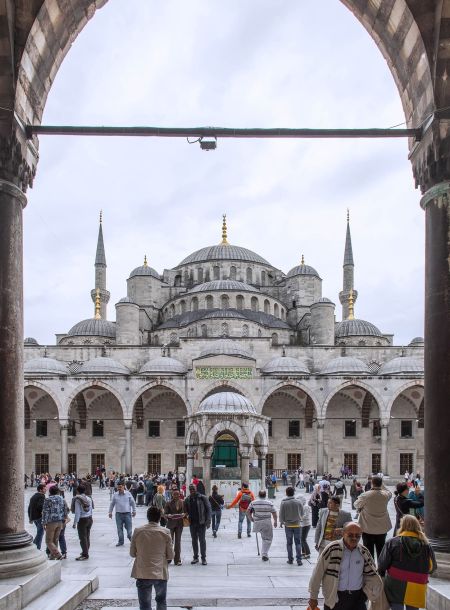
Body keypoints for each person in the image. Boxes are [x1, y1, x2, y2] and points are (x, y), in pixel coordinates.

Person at [308, 522, 383, 610]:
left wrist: (366, 594)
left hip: (358, 599)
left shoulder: (364, 552)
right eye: (350, 535)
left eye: (357, 536)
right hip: (335, 599)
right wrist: (313, 597)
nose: (354, 538)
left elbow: (372, 573)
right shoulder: (332, 549)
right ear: (343, 533)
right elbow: (317, 573)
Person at [378, 515, 436, 610]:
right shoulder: (426, 545)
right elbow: (432, 567)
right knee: (413, 607)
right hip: (418, 582)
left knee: (396, 606)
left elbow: (382, 564)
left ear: (402, 526)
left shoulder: (392, 542)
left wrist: (381, 575)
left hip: (396, 581)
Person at [130, 506, 174, 610]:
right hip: (160, 573)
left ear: (147, 517)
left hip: (142, 572)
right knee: (161, 601)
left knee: (144, 604)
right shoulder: (166, 532)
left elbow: (132, 553)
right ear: (159, 518)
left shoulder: (138, 531)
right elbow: (171, 555)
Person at [354, 475, 392, 562]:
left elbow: (356, 504)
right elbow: (389, 492)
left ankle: (370, 570)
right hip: (382, 528)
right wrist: (382, 485)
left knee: (368, 551)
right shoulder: (386, 495)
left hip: (368, 528)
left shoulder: (366, 495)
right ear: (381, 484)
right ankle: (381, 571)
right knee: (381, 550)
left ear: (372, 483)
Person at [183, 483, 211, 565]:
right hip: (192, 523)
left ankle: (203, 558)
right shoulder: (188, 499)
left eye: (193, 489)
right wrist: (185, 514)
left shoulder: (203, 498)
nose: (192, 490)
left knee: (202, 540)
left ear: (196, 489)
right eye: (190, 489)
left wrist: (208, 521)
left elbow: (209, 509)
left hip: (201, 523)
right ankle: (195, 557)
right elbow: (186, 510)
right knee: (194, 540)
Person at [247, 489, 277, 561]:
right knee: (268, 539)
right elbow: (274, 513)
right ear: (265, 495)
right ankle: (264, 554)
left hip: (257, 522)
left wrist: (251, 519)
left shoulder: (253, 503)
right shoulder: (269, 503)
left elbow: (248, 511)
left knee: (264, 538)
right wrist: (275, 521)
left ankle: (264, 553)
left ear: (258, 495)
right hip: (266, 522)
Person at [279, 486, 304, 565]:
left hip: (288, 525)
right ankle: (299, 560)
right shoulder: (299, 502)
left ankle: (290, 559)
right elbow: (302, 513)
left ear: (286, 493)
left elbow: (281, 514)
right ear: (294, 493)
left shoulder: (284, 502)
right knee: (298, 543)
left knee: (289, 543)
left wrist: (281, 522)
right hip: (297, 525)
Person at [41, 484, 65, 559]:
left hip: (51, 522)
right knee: (55, 540)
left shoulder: (48, 499)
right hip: (60, 521)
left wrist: (44, 522)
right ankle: (52, 556)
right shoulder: (61, 498)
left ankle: (58, 555)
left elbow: (45, 511)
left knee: (48, 541)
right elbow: (64, 510)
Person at [109, 481, 137, 546]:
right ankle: (121, 541)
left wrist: (134, 511)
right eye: (118, 487)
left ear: (123, 486)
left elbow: (133, 503)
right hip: (118, 514)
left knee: (129, 530)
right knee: (119, 529)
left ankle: (131, 538)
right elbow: (112, 504)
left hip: (127, 514)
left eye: (120, 487)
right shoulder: (115, 494)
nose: (119, 488)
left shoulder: (128, 494)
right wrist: (110, 512)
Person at [72, 484, 93, 561]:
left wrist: (75, 523)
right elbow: (91, 509)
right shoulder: (89, 498)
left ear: (77, 491)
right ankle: (86, 550)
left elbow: (77, 512)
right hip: (89, 518)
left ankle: (85, 554)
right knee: (87, 536)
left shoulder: (78, 499)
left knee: (82, 538)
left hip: (82, 520)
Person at [165, 489, 185, 566]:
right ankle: (169, 558)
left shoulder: (182, 502)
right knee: (170, 542)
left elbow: (186, 512)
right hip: (170, 524)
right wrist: (167, 515)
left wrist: (184, 514)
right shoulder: (168, 503)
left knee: (178, 542)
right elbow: (165, 513)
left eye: (177, 494)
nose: (176, 496)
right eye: (175, 494)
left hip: (179, 524)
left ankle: (177, 560)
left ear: (179, 495)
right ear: (172, 495)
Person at [27, 482, 46, 550]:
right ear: (40, 490)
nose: (45, 490)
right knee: (40, 533)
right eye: (44, 489)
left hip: (34, 517)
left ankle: (35, 546)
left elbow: (29, 508)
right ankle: (36, 548)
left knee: (39, 532)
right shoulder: (42, 496)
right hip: (39, 517)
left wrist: (30, 518)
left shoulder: (33, 496)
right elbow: (40, 506)